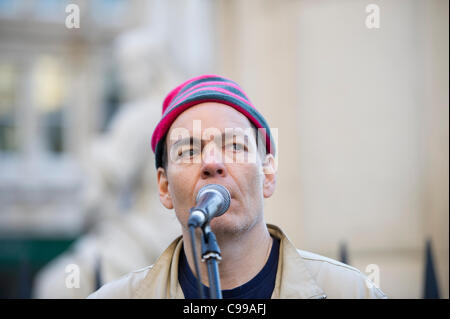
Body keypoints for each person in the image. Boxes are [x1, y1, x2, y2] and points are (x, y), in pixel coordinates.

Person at [88, 74, 387, 299]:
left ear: (267, 175)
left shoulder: (351, 292)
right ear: (164, 188)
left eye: (234, 145)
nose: (212, 162)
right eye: (189, 151)